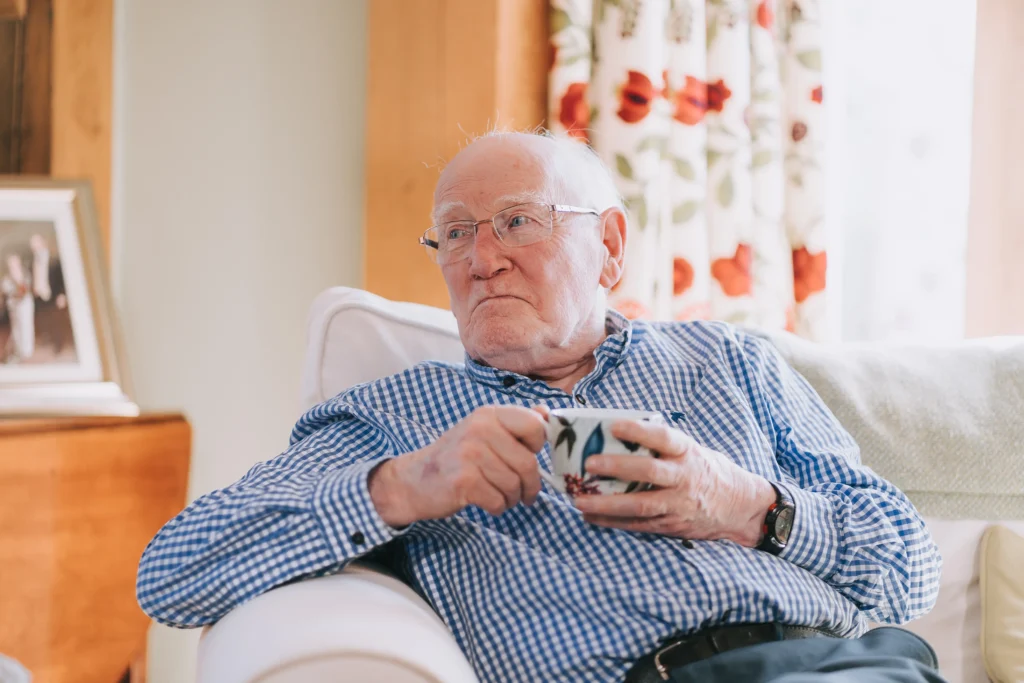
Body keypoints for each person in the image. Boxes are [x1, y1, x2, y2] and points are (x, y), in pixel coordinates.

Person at [136, 132, 943, 683]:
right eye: (454, 235)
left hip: (845, 663)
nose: (482, 259)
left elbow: (912, 568)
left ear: (612, 247)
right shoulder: (393, 417)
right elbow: (171, 574)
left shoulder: (731, 362)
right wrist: (405, 486)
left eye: (519, 221)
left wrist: (743, 505)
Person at [2, 254, 34, 363]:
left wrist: (21, 291)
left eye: (14, 262)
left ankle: (27, 351)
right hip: (14, 305)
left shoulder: (25, 274)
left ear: (18, 262)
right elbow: (7, 291)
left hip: (25, 304)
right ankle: (18, 350)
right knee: (16, 327)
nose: (12, 265)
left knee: (26, 325)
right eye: (10, 264)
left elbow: (26, 288)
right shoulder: (6, 278)